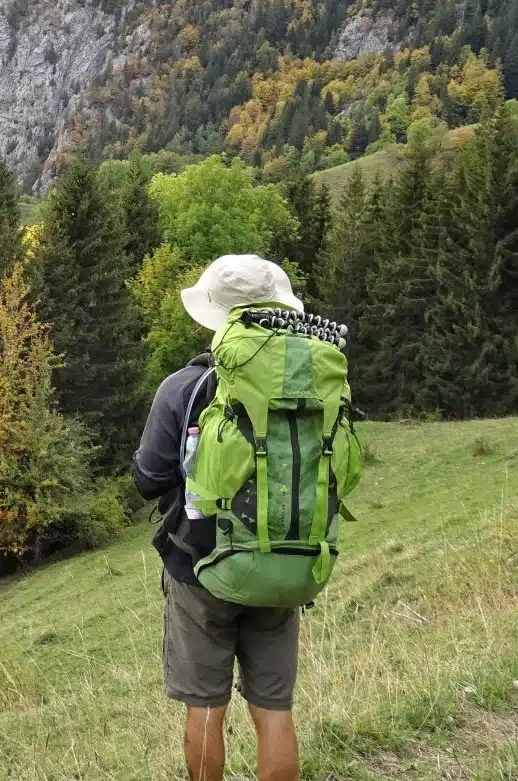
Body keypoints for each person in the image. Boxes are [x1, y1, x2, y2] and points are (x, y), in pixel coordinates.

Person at [133, 254, 304, 781]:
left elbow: (148, 480)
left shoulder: (182, 387)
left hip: (200, 565)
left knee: (205, 705)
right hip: (282, 559)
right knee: (274, 707)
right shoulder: (303, 379)